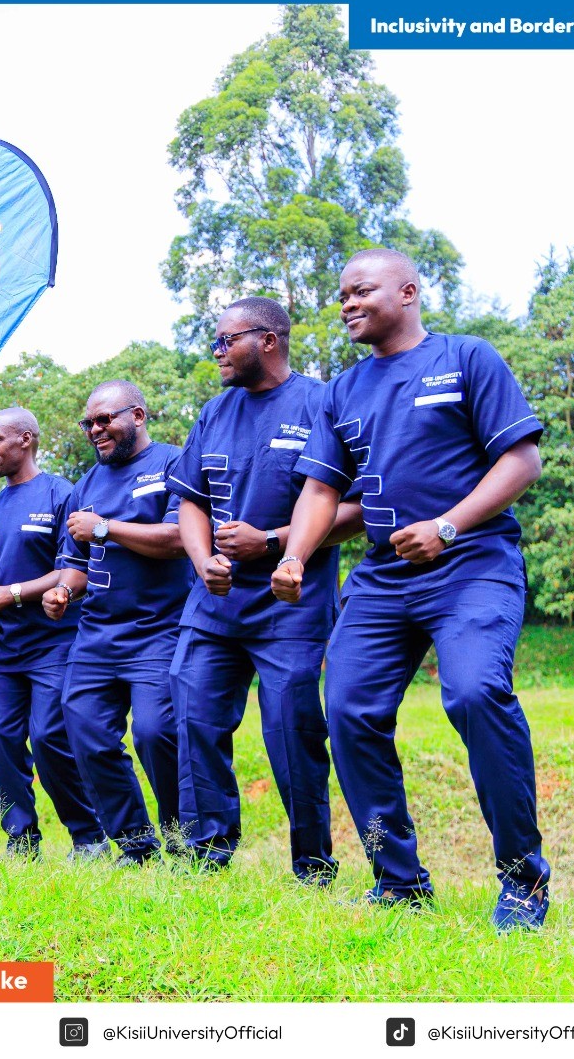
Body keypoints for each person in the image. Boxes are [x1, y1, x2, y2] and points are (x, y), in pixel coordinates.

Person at [275, 248, 551, 931]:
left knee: (476, 693)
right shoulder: (342, 391)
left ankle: (523, 880)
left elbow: (522, 459)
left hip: (473, 561)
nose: (347, 304)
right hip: (383, 576)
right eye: (341, 295)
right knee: (348, 713)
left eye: (361, 290)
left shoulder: (466, 358)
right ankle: (397, 880)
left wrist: (448, 527)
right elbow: (321, 489)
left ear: (407, 291)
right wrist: (296, 555)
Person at [166, 298, 363, 882]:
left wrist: (273, 543)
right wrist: (203, 560)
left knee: (291, 732)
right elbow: (190, 501)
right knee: (195, 718)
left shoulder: (323, 402)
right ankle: (206, 855)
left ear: (268, 340)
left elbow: (355, 508)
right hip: (215, 603)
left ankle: (313, 866)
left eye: (226, 341)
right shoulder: (214, 411)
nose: (217, 352)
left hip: (290, 605)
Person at [43, 381, 193, 864]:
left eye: (105, 419)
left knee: (156, 732)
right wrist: (63, 591)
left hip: (161, 628)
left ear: (138, 415)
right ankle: (135, 845)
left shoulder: (173, 463)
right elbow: (76, 564)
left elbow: (179, 538)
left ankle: (183, 841)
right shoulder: (85, 486)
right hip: (97, 634)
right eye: (88, 422)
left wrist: (106, 528)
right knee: (85, 730)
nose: (95, 429)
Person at [0, 409, 107, 860]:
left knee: (49, 737)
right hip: (3, 649)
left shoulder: (61, 494)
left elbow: (72, 569)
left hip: (55, 643)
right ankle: (20, 839)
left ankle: (88, 837)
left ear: (26, 439)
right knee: (1, 741)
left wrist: (11, 595)